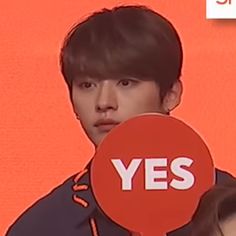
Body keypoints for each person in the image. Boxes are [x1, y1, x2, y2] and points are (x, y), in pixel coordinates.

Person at [6, 5, 235, 236]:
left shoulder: (229, 210)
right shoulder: (41, 227)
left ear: (170, 94)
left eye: (126, 82)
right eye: (87, 85)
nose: (104, 102)